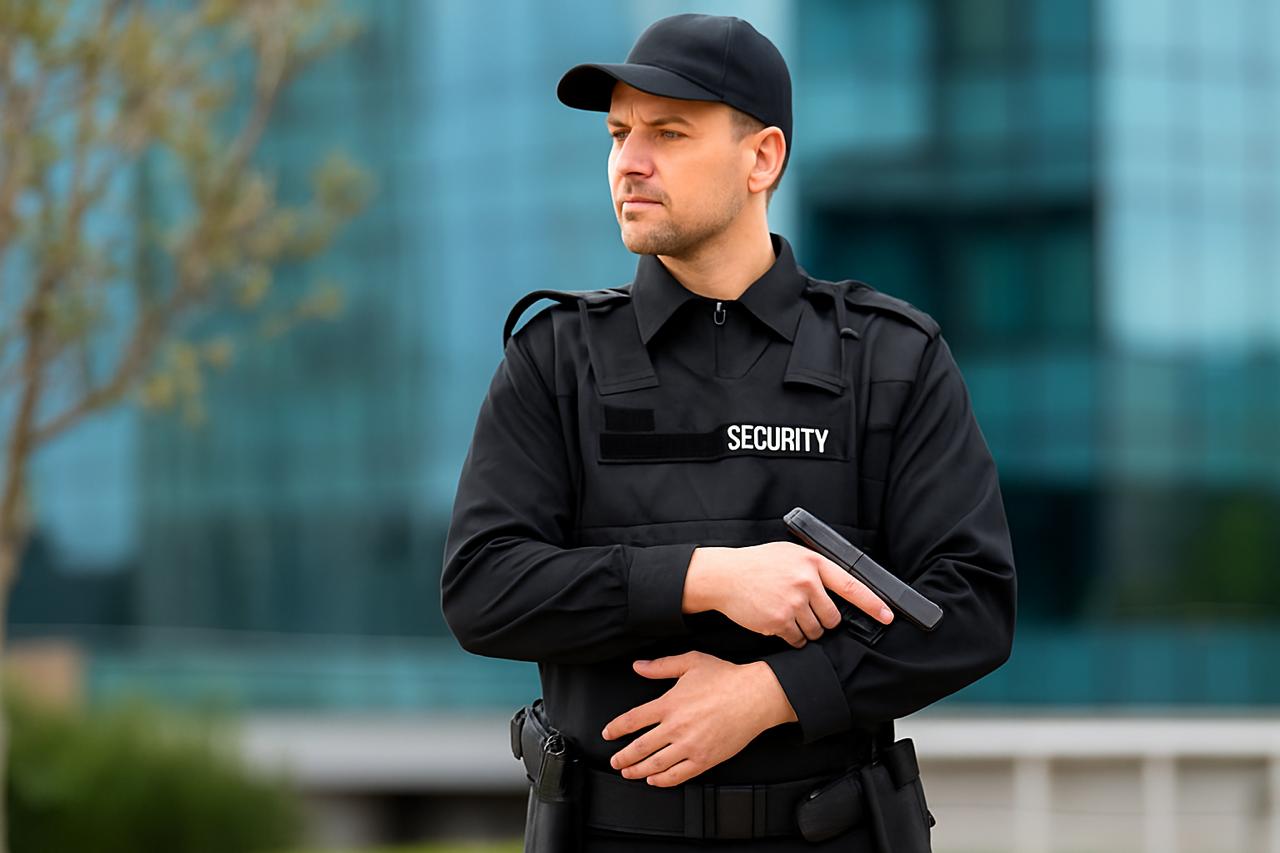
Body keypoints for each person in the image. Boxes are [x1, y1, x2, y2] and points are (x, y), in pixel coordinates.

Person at [441, 12, 1017, 852]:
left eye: (668, 132)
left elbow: (973, 606)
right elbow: (482, 590)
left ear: (764, 157)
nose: (629, 162)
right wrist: (705, 577)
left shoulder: (888, 359)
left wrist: (773, 693)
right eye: (618, 133)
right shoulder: (555, 361)